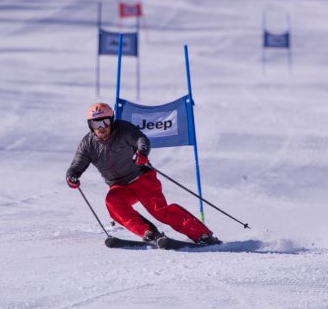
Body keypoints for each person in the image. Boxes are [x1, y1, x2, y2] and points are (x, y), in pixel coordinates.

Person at [66, 102, 220, 245]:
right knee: (113, 202)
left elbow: (141, 140)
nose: (102, 127)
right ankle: (149, 233)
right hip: (119, 185)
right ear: (90, 125)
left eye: (105, 122)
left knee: (159, 211)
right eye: (96, 123)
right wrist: (72, 175)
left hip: (141, 178)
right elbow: (77, 163)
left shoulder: (123, 129)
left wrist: (142, 153)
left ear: (111, 120)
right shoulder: (88, 144)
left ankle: (202, 234)